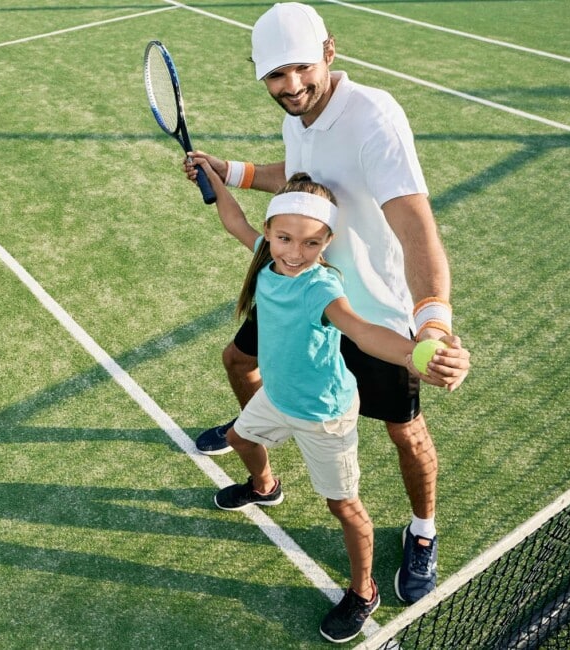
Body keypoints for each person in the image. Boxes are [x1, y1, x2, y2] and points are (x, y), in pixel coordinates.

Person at [184, 2, 471, 604]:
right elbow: (299, 170)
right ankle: (263, 466)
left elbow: (418, 228)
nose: (291, 87)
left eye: (300, 69)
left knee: (404, 431)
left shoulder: (373, 118)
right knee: (238, 363)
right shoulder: (300, 115)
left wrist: (434, 324)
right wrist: (227, 169)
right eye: (275, 76)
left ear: (330, 53)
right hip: (299, 284)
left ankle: (422, 531)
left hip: (373, 312)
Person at [202, 168, 426, 642]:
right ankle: (264, 487)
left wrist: (413, 353)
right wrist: (211, 178)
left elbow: (362, 331)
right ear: (269, 234)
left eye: (310, 244)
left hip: (323, 415)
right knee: (238, 437)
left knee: (343, 507)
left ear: (327, 242)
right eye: (284, 238)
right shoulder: (266, 265)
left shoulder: (320, 287)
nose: (295, 252)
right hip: (278, 397)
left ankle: (364, 591)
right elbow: (233, 221)